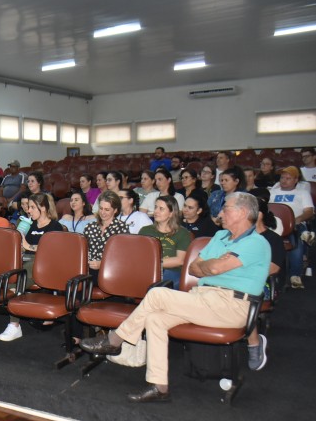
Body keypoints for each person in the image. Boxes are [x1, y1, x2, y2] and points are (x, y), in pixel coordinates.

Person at [80, 192, 270, 403]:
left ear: (242, 212)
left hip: (232, 305)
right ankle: (160, 386)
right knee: (155, 319)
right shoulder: (219, 237)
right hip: (203, 297)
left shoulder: (256, 243)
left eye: (226, 208)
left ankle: (115, 340)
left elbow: (213, 266)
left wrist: (212, 265)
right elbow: (195, 268)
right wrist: (213, 266)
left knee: (157, 294)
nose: (220, 212)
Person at [0, 193, 63, 342]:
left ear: (43, 208)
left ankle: (14, 325)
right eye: (29, 207)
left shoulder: (55, 226)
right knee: (10, 275)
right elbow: (24, 247)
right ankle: (16, 316)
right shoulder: (31, 225)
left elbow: (52, 251)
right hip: (27, 260)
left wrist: (28, 246)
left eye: (33, 207)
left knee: (17, 282)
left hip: (44, 264)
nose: (29, 211)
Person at [247, 195, 285, 371]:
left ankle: (254, 343)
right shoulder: (240, 236)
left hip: (264, 283)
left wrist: (241, 271)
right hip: (239, 278)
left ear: (259, 215)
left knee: (242, 293)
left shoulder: (273, 239)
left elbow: (273, 268)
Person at [269, 166, 314, 288]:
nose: (284, 180)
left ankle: (295, 275)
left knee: (295, 241)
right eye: (282, 177)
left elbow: (309, 211)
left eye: (288, 178)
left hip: (295, 224)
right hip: (275, 224)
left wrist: (296, 220)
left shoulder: (302, 193)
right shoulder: (272, 193)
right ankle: (306, 235)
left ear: (295, 180)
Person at [139, 196, 192, 289]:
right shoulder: (145, 230)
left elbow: (180, 260)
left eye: (161, 209)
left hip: (171, 272)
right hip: (147, 271)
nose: (156, 211)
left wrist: (154, 263)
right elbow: (139, 254)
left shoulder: (182, 233)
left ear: (171, 213)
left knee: (161, 285)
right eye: (155, 207)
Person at [84, 191, 130, 283]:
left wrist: (102, 264)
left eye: (107, 209)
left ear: (115, 210)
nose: (103, 212)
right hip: (88, 270)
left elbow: (123, 257)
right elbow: (84, 251)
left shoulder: (122, 228)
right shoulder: (90, 227)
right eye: (101, 208)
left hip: (111, 272)